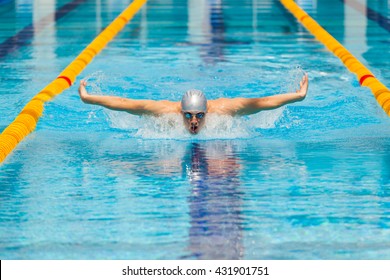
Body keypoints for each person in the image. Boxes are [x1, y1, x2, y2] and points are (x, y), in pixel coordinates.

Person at [78, 73, 308, 134]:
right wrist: (88, 98)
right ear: (180, 111)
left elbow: (264, 101)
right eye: (188, 115)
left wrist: (298, 96)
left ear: (208, 111)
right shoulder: (165, 112)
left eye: (200, 115)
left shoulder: (225, 110)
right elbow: (124, 103)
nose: (195, 121)